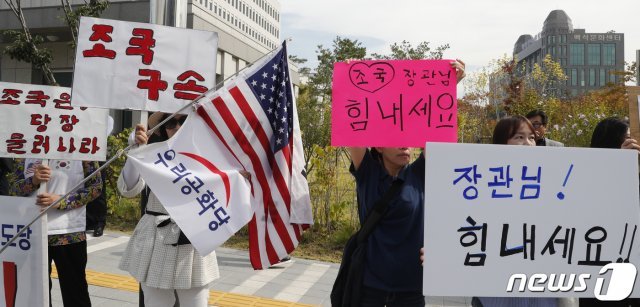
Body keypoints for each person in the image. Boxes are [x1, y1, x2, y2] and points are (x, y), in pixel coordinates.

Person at [348, 60, 465, 307]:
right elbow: (352, 129)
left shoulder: (419, 173)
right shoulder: (367, 173)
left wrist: (450, 85)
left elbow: (439, 129)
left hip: (411, 290)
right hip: (369, 289)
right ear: (378, 146)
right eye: (397, 139)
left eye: (409, 139)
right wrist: (350, 84)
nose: (405, 145)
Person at [118, 112, 219, 307]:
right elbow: (128, 189)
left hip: (193, 235)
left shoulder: (210, 155)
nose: (177, 127)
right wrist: (136, 150)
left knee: (196, 303)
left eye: (183, 121)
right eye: (171, 122)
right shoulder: (152, 153)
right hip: (155, 235)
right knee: (156, 303)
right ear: (163, 128)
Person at [471, 115, 558, 307]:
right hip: (495, 294)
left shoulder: (555, 186)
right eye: (519, 137)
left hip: (541, 294)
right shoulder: (480, 188)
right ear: (502, 143)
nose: (527, 143)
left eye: (532, 138)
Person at [9, 158, 102, 307]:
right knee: (36, 295)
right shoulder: (26, 146)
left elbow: (96, 187)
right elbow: (13, 190)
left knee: (75, 294)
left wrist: (62, 200)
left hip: (69, 233)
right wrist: (33, 181)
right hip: (33, 233)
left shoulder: (83, 145)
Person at [580, 117, 640, 307]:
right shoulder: (588, 177)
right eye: (629, 139)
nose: (635, 145)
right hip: (600, 274)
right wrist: (618, 164)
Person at [86, 116, 114, 237]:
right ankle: (88, 220)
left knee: (99, 188)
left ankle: (100, 223)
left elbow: (107, 128)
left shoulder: (105, 116)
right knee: (84, 188)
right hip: (81, 153)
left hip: (96, 153)